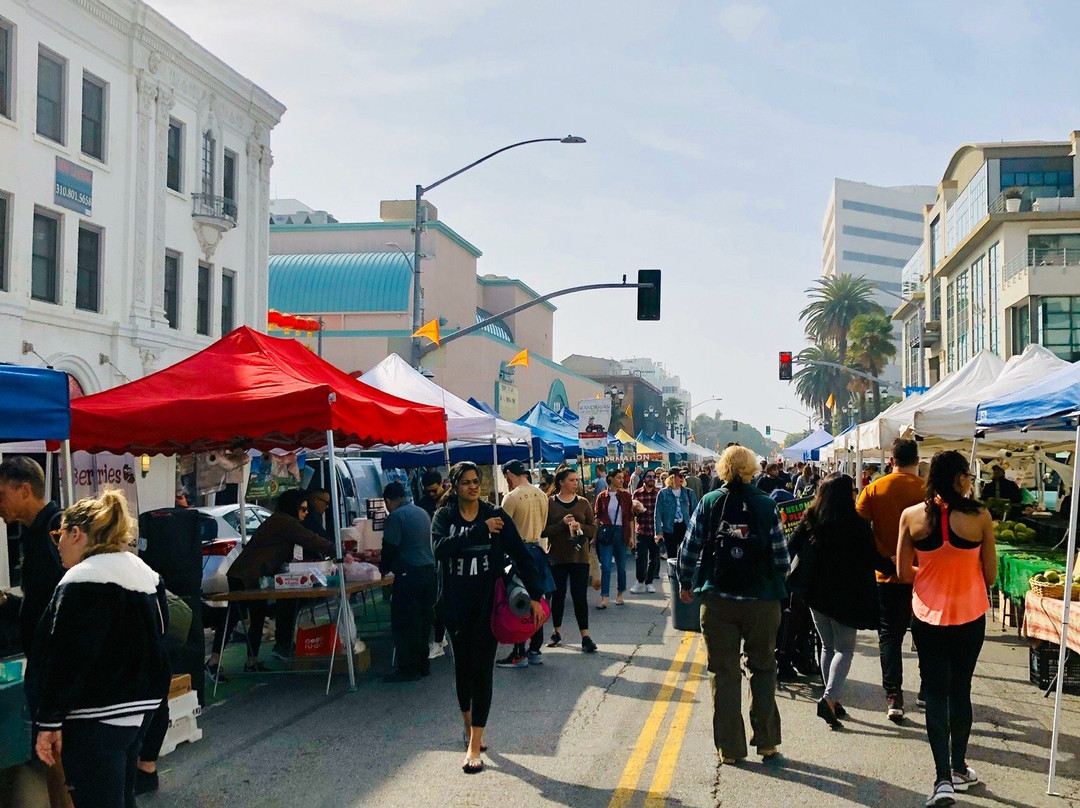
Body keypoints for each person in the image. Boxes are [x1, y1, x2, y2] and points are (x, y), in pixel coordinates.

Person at [30, 490, 170, 808]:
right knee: (122, 797)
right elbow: (162, 641)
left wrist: (49, 721)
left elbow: (67, 657)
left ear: (76, 533)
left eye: (59, 535)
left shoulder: (81, 579)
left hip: (95, 713)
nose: (58, 544)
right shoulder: (146, 574)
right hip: (141, 710)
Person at [676, 445, 789, 764]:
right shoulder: (767, 504)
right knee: (763, 668)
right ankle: (767, 741)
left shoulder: (709, 502)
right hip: (761, 601)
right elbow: (781, 557)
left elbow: (689, 548)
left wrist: (686, 582)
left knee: (723, 674)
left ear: (722, 469)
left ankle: (730, 749)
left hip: (718, 599)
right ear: (753, 469)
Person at [431, 462, 545, 774]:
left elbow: (521, 553)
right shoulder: (445, 516)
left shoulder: (495, 514)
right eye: (466, 482)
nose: (473, 487)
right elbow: (439, 550)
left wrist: (536, 595)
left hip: (487, 607)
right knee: (463, 670)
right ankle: (467, 726)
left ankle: (475, 743)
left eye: (476, 481)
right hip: (455, 607)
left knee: (482, 671)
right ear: (455, 486)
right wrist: (478, 531)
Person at [897, 451, 995, 807]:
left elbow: (903, 572)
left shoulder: (911, 516)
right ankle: (958, 767)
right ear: (960, 479)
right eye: (968, 476)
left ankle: (942, 780)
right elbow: (991, 575)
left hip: (927, 616)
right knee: (961, 689)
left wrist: (931, 572)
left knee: (936, 694)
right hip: (969, 614)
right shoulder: (980, 516)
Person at [207, 490, 345, 677]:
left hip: (253, 575)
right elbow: (312, 540)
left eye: (307, 510)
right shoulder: (286, 522)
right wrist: (339, 551)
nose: (306, 513)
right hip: (245, 574)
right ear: (293, 507)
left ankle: (251, 661)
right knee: (233, 617)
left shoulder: (282, 521)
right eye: (303, 509)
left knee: (256, 616)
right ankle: (214, 661)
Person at [0, 457, 70, 805]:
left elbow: (68, 601)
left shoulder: (58, 530)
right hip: (43, 662)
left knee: (59, 755)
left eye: (1, 494)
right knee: (50, 757)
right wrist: (12, 604)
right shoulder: (32, 533)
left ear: (25, 490)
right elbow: (41, 598)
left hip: (58, 666)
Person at [787, 474, 882, 729]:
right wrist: (895, 566)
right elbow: (873, 557)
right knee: (845, 650)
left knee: (828, 646)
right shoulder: (856, 523)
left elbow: (791, 546)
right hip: (847, 595)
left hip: (815, 594)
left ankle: (833, 698)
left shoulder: (811, 518)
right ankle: (829, 698)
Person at [856, 437, 926, 723]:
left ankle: (894, 696)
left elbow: (859, 529)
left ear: (892, 461)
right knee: (925, 634)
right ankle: (926, 690)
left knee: (890, 636)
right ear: (917, 461)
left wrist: (884, 554)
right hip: (924, 573)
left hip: (886, 574)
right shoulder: (928, 490)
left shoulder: (873, 489)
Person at [498, 461, 555, 667]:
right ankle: (535, 649)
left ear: (508, 474)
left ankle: (519, 652)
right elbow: (544, 524)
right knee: (537, 599)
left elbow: (503, 530)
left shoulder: (511, 497)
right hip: (538, 551)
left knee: (519, 600)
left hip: (519, 553)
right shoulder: (542, 495)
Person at [380, 482, 436, 683]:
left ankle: (408, 668)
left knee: (405, 623)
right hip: (429, 574)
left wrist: (383, 568)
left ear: (388, 501)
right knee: (423, 622)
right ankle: (423, 665)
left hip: (409, 575)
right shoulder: (422, 512)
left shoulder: (396, 517)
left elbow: (390, 547)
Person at [542, 466, 599, 652]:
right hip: (557, 557)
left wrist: (579, 526)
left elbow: (593, 529)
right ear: (561, 482)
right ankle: (556, 632)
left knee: (579, 596)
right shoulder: (550, 503)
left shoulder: (583, 503)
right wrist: (562, 524)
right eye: (572, 480)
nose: (576, 483)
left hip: (579, 557)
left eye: (576, 480)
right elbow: (543, 531)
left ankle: (585, 636)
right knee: (558, 596)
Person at [594, 469, 635, 608]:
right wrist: (594, 537)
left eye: (622, 478)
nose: (621, 480)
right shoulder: (602, 496)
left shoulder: (626, 495)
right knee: (605, 566)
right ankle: (604, 597)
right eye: (618, 477)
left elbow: (630, 517)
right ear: (610, 478)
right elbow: (597, 517)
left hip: (621, 532)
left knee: (621, 567)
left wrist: (632, 537)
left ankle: (620, 593)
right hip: (606, 533)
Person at [655, 468, 698, 562]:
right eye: (680, 476)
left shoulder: (689, 492)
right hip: (669, 528)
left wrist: (696, 530)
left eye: (684, 476)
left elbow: (696, 512)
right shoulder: (663, 493)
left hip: (685, 527)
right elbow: (657, 514)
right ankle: (673, 572)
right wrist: (658, 533)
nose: (683, 478)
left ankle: (682, 571)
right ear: (672, 477)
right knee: (672, 558)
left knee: (685, 557)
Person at [630, 470, 661, 593]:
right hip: (642, 530)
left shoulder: (659, 493)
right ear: (644, 479)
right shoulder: (637, 493)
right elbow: (631, 513)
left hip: (655, 531)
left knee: (654, 558)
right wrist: (636, 510)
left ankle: (649, 582)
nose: (652, 479)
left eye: (654, 476)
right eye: (649, 476)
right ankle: (640, 581)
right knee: (640, 558)